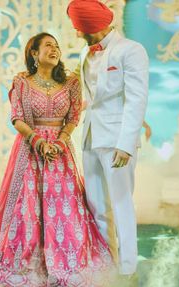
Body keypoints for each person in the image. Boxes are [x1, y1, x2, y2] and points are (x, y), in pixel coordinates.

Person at [0, 32, 115, 287]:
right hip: (29, 150)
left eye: (57, 46)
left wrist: (59, 142)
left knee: (65, 209)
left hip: (60, 153)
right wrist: (38, 142)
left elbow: (73, 118)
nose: (55, 49)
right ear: (34, 54)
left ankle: (68, 264)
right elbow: (17, 118)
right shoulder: (22, 82)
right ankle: (26, 266)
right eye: (48, 45)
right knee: (25, 208)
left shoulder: (71, 82)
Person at [67, 0, 149, 285]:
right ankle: (105, 264)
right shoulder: (83, 53)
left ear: (94, 26)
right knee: (96, 204)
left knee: (121, 202)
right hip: (90, 137)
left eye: (80, 28)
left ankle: (128, 269)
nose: (77, 34)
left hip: (117, 140)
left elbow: (137, 98)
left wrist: (126, 144)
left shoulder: (131, 50)